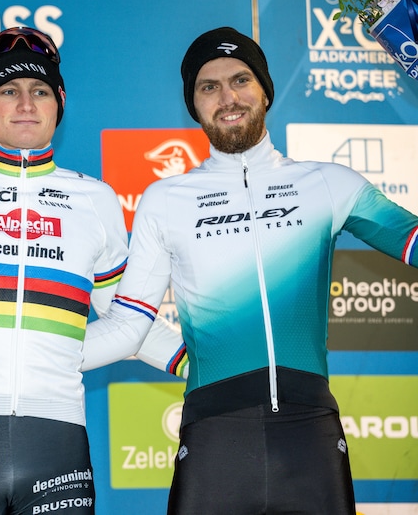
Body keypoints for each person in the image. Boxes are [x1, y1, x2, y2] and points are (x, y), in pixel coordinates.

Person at [81, 26, 418, 514]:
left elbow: (412, 241)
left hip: (310, 432)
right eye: (209, 87)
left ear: (265, 90)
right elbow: (128, 325)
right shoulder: (166, 200)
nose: (228, 98)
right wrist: (21, 357)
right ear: (194, 105)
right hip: (214, 433)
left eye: (240, 80)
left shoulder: (327, 183)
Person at [0, 26, 186, 515]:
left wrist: (200, 363)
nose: (26, 104)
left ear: (59, 104)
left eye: (40, 91)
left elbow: (127, 319)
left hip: (57, 435)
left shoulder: (96, 200)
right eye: (9, 91)